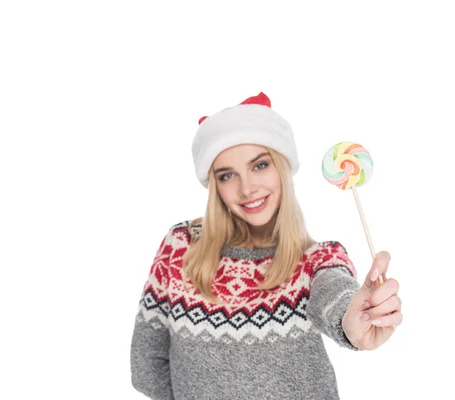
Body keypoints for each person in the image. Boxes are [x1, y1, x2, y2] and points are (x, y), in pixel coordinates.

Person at [130, 92, 403, 400]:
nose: (247, 188)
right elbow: (146, 366)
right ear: (214, 186)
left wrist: (355, 320)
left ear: (282, 167)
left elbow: (337, 295)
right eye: (227, 175)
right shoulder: (181, 247)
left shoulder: (318, 261)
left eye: (260, 165)